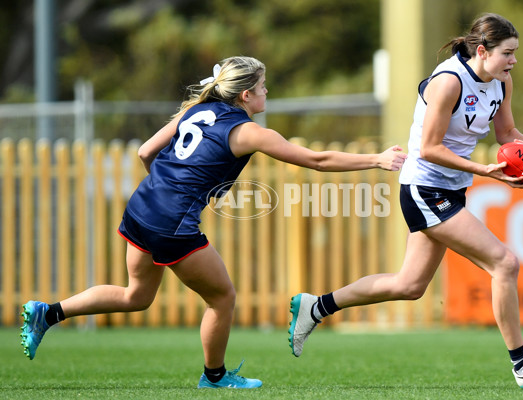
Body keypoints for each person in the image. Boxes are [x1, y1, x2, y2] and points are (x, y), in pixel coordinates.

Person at [19, 56, 406, 389]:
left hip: (142, 206)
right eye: (264, 87)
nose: (267, 93)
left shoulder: (196, 110)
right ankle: (215, 376)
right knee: (222, 298)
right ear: (246, 95)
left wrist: (166, 187)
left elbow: (144, 151)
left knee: (135, 296)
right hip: (171, 222)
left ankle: (48, 313)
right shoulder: (248, 131)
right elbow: (317, 161)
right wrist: (376, 159)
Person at [288, 13, 523, 389]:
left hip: (451, 189)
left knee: (410, 285)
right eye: (508, 53)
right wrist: (485, 171)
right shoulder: (448, 82)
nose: (514, 61)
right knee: (504, 264)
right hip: (424, 188)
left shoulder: (501, 81)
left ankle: (316, 306)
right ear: (483, 51)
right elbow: (429, 148)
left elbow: (505, 132)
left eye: (515, 53)